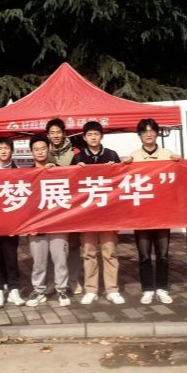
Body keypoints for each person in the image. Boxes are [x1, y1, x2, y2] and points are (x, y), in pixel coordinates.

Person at [122, 118, 180, 304]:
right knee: (144, 255)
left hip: (162, 214)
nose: (148, 134)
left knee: (162, 255)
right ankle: (147, 288)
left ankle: (162, 287)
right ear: (139, 135)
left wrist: (179, 162)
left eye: (152, 130)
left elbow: (180, 178)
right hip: (142, 216)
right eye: (144, 131)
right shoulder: (133, 157)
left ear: (157, 133)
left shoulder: (168, 155)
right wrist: (123, 166)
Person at [71, 121, 124, 304]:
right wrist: (75, 171)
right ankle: (91, 289)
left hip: (108, 214)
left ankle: (112, 289)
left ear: (101, 136)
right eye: (90, 134)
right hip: (87, 215)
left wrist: (115, 168)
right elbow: (70, 184)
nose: (93, 137)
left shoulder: (112, 155)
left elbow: (122, 181)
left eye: (96, 134)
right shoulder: (78, 158)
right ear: (84, 137)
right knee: (89, 253)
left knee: (110, 252)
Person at [26, 135, 70, 307]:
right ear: (31, 152)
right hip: (36, 226)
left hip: (58, 224)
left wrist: (55, 172)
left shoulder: (59, 170)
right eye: (36, 149)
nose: (40, 152)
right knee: (39, 262)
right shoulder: (25, 174)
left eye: (43, 148)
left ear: (49, 149)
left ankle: (62, 290)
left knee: (60, 260)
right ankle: (39, 290)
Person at [0, 138, 24, 307]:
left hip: (11, 224)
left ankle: (14, 289)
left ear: (12, 151)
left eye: (6, 148)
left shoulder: (18, 171)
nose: (3, 151)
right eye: (0, 148)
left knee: (11, 257)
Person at [45, 118, 82, 295]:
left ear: (64, 133)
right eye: (52, 133)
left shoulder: (75, 153)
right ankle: (52, 281)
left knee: (73, 246)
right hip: (50, 205)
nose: (55, 135)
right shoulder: (43, 152)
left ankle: (73, 280)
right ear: (47, 135)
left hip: (71, 205)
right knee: (51, 247)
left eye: (58, 132)